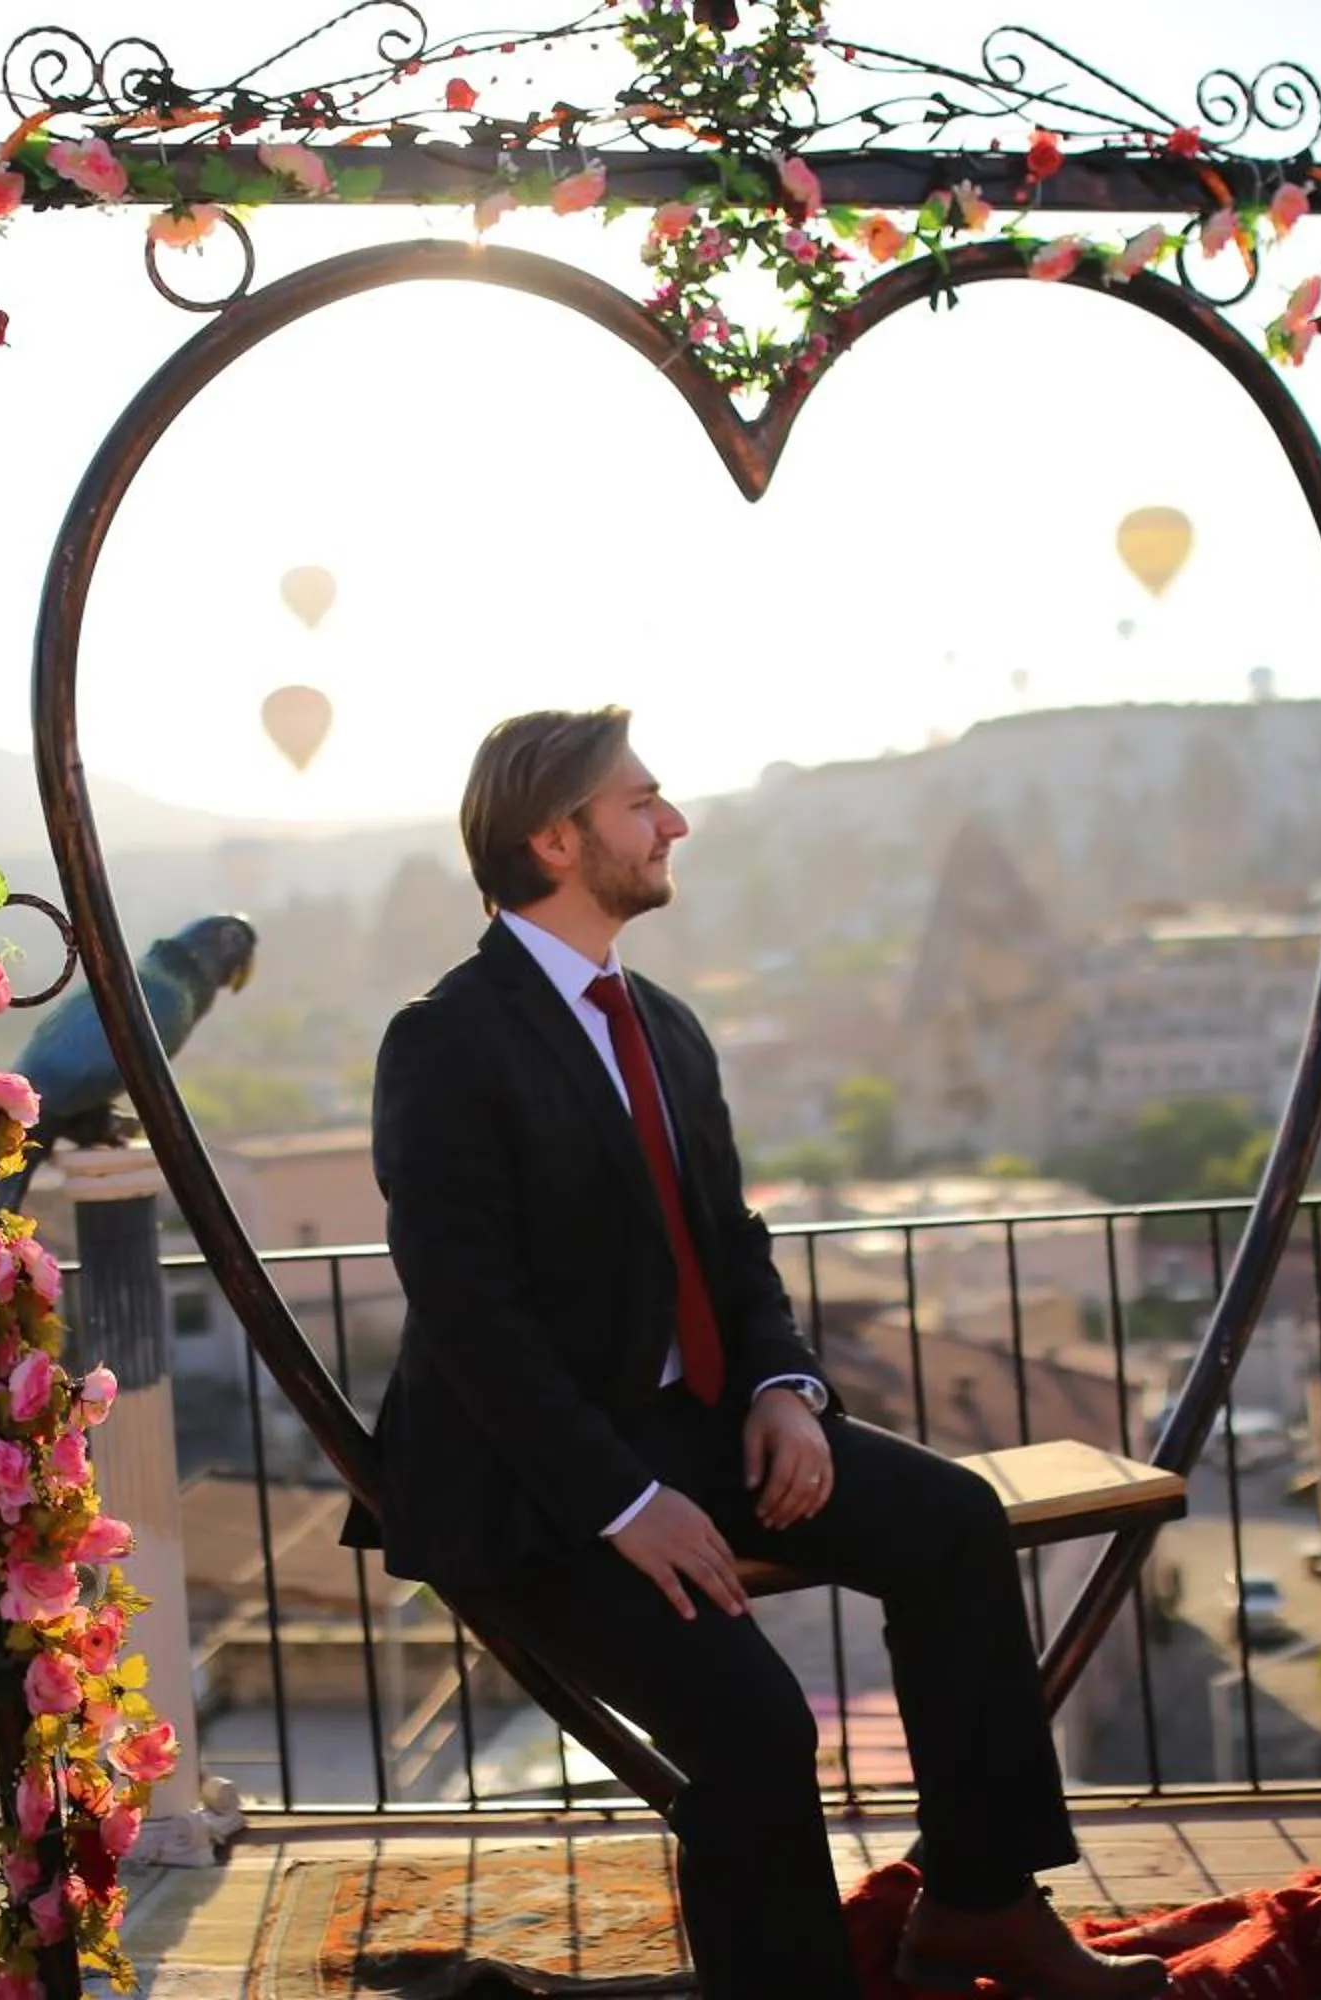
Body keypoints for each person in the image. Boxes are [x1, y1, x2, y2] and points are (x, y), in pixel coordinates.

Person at [351, 707, 1167, 2000]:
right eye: (642, 802)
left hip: (699, 1431)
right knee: (752, 1726)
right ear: (554, 838)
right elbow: (468, 1318)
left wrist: (787, 1390)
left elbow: (730, 1242)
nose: (674, 822)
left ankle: (979, 1905)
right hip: (536, 1483)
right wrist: (623, 1503)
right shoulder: (446, 1041)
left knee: (952, 1524)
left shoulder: (664, 1023)